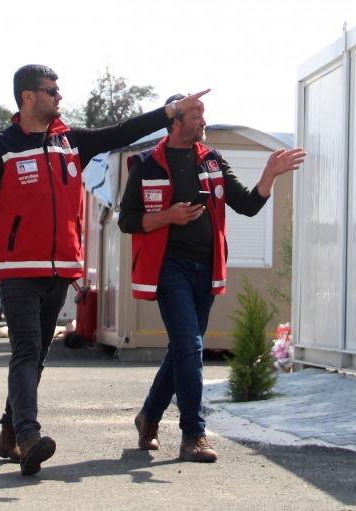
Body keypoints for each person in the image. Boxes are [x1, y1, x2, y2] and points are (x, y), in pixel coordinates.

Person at [0, 64, 208, 476]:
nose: (59, 96)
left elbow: (121, 132)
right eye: (51, 90)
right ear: (27, 97)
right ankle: (28, 437)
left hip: (60, 270)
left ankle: (9, 431)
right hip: (17, 269)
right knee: (25, 349)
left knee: (37, 353)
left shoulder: (70, 142)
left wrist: (168, 113)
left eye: (59, 90)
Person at [118, 94, 305, 462]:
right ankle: (194, 435)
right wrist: (169, 216)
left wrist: (269, 174)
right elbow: (127, 220)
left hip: (206, 268)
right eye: (196, 113)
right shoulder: (145, 164)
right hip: (167, 268)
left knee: (182, 350)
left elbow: (248, 206)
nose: (204, 119)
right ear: (175, 120)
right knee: (190, 346)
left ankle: (148, 417)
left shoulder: (213, 160)